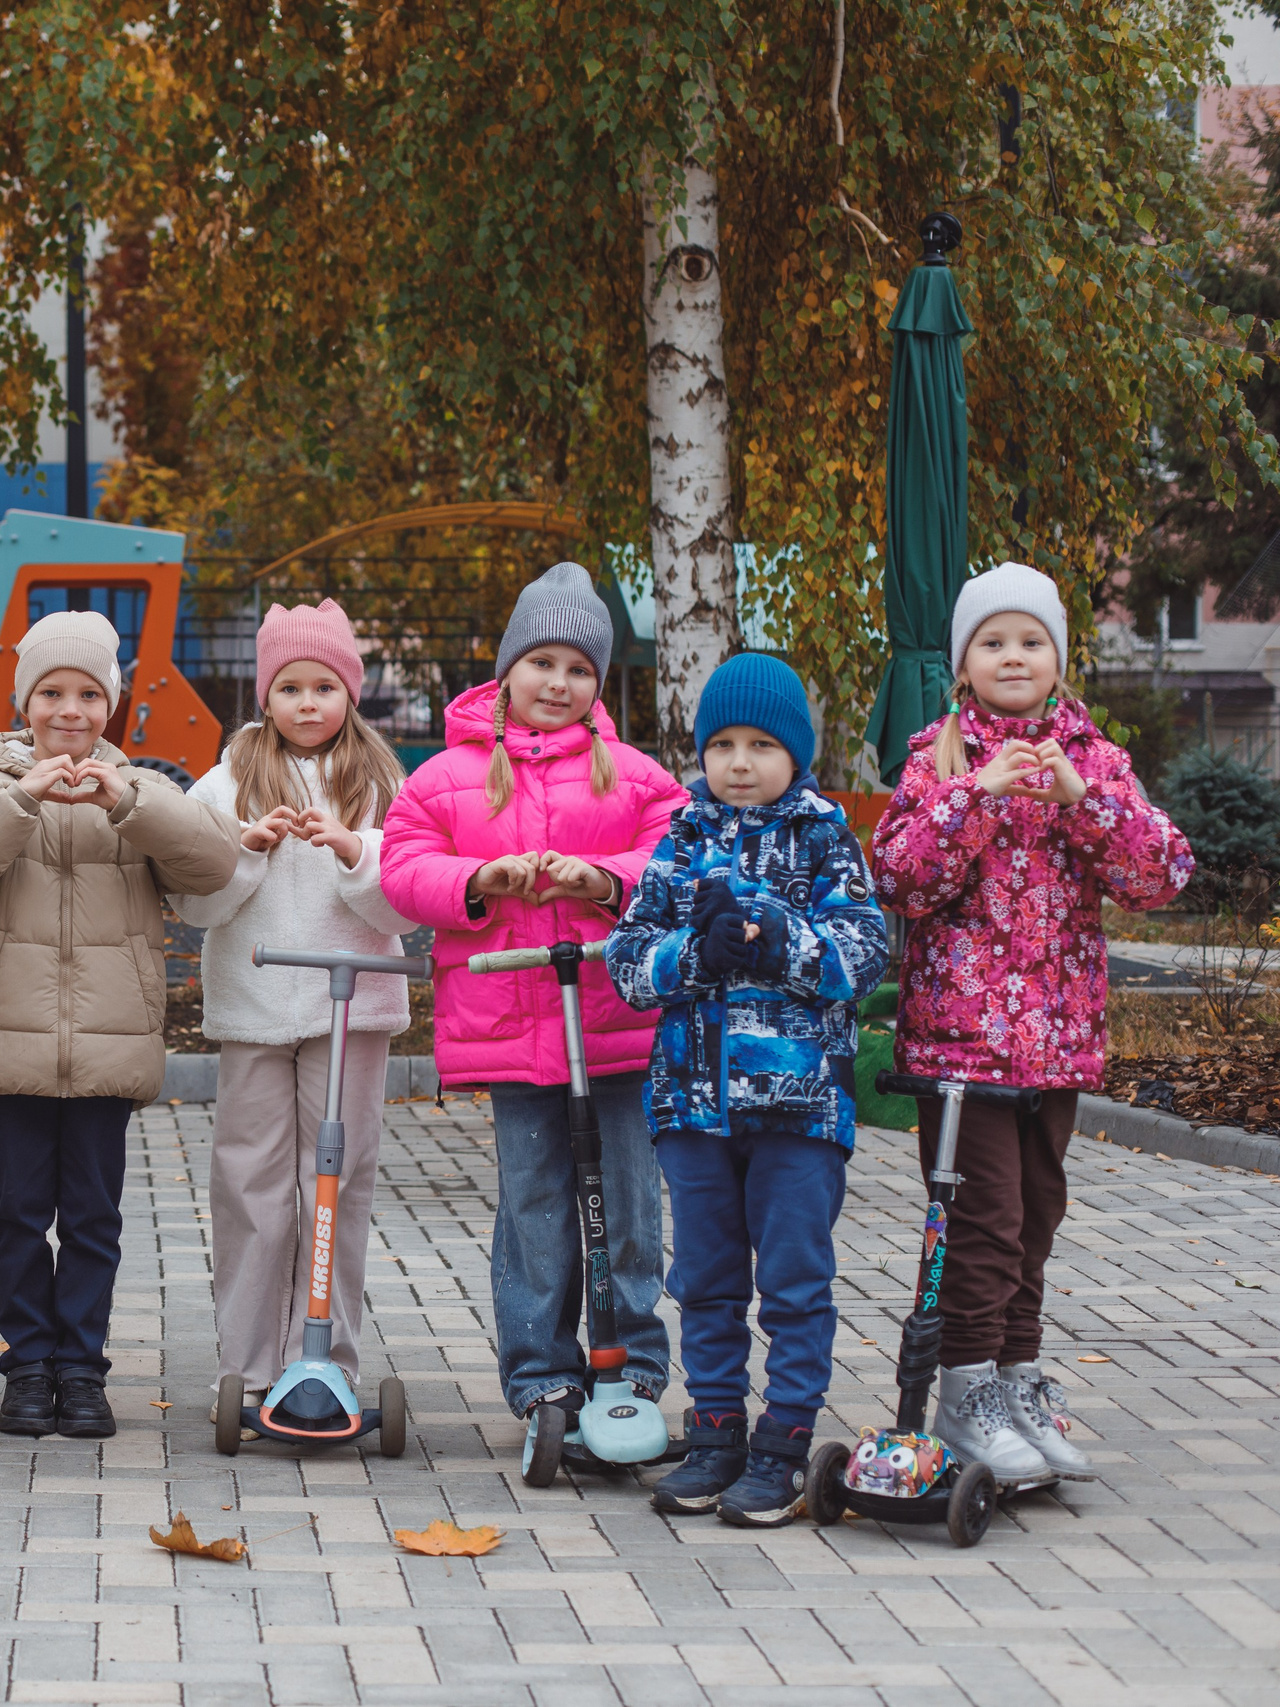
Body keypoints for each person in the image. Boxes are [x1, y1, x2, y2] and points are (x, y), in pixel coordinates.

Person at [871, 561, 1192, 1482]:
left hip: (1057, 1040)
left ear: (1059, 656)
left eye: (1031, 640)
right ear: (962, 665)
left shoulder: (1093, 759)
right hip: (962, 1046)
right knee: (986, 1221)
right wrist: (977, 796)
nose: (1014, 655)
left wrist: (1078, 805)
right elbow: (901, 879)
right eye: (993, 641)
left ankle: (1017, 1380)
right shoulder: (938, 756)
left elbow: (1163, 874)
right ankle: (965, 1393)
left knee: (1038, 1217)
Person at [379, 562, 686, 1442]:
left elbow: (672, 856)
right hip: (512, 1028)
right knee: (535, 1206)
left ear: (599, 682)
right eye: (542, 663)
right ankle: (541, 1375)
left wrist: (605, 879)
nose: (559, 683)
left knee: (628, 1204)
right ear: (507, 668)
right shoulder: (447, 776)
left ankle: (629, 1363)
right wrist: (479, 878)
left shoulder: (630, 774)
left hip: (614, 1022)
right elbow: (404, 866)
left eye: (579, 669)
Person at [0, 609, 241, 1440]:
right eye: (53, 691)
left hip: (106, 1040)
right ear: (25, 700)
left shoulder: (141, 786)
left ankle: (82, 1368)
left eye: (90, 693)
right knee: (19, 1210)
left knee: (94, 1214)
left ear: (113, 705)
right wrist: (20, 799)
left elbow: (211, 862)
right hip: (9, 1037)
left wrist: (128, 800)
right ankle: (28, 1364)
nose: (70, 709)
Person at [607, 654, 890, 1525]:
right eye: (722, 743)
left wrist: (781, 944)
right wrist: (699, 955)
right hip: (692, 1105)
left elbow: (865, 953)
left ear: (794, 752)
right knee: (705, 1278)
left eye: (761, 744)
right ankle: (720, 1428)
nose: (738, 762)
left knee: (796, 1276)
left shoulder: (825, 837)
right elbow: (628, 962)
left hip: (799, 1112)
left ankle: (784, 1441)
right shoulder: (681, 839)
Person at [168, 599, 413, 1412]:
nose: (309, 704)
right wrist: (241, 851)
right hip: (257, 1008)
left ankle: (328, 1354)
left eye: (325, 687)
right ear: (264, 696)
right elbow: (192, 900)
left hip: (353, 1013)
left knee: (338, 1180)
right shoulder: (228, 776)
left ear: (351, 690)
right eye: (290, 688)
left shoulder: (380, 779)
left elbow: (407, 900)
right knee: (249, 1184)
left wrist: (357, 855)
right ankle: (247, 1363)